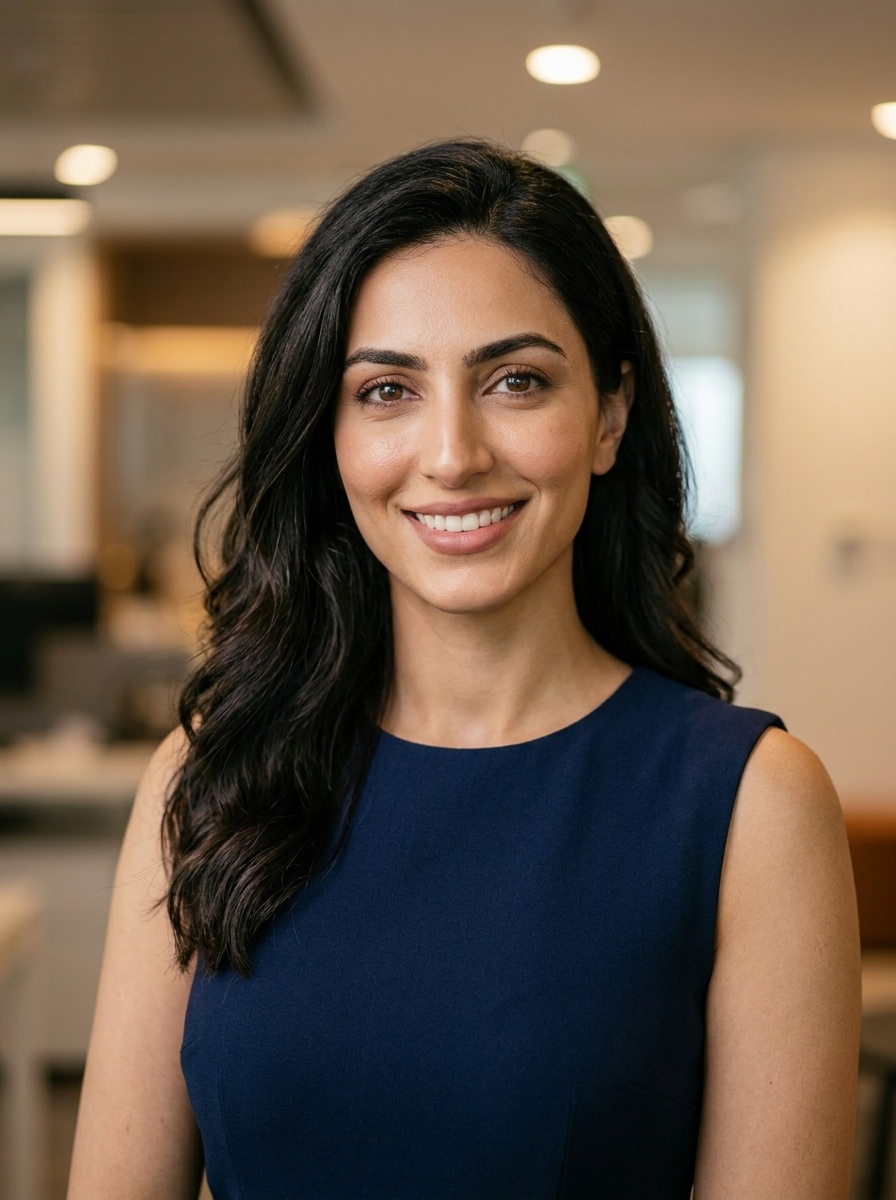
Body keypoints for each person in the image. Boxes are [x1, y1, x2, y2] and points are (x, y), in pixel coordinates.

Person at [69, 139, 860, 1199]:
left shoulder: (746, 807)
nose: (450, 453)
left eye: (514, 381)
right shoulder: (210, 777)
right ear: (328, 434)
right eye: (387, 390)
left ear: (609, 415)